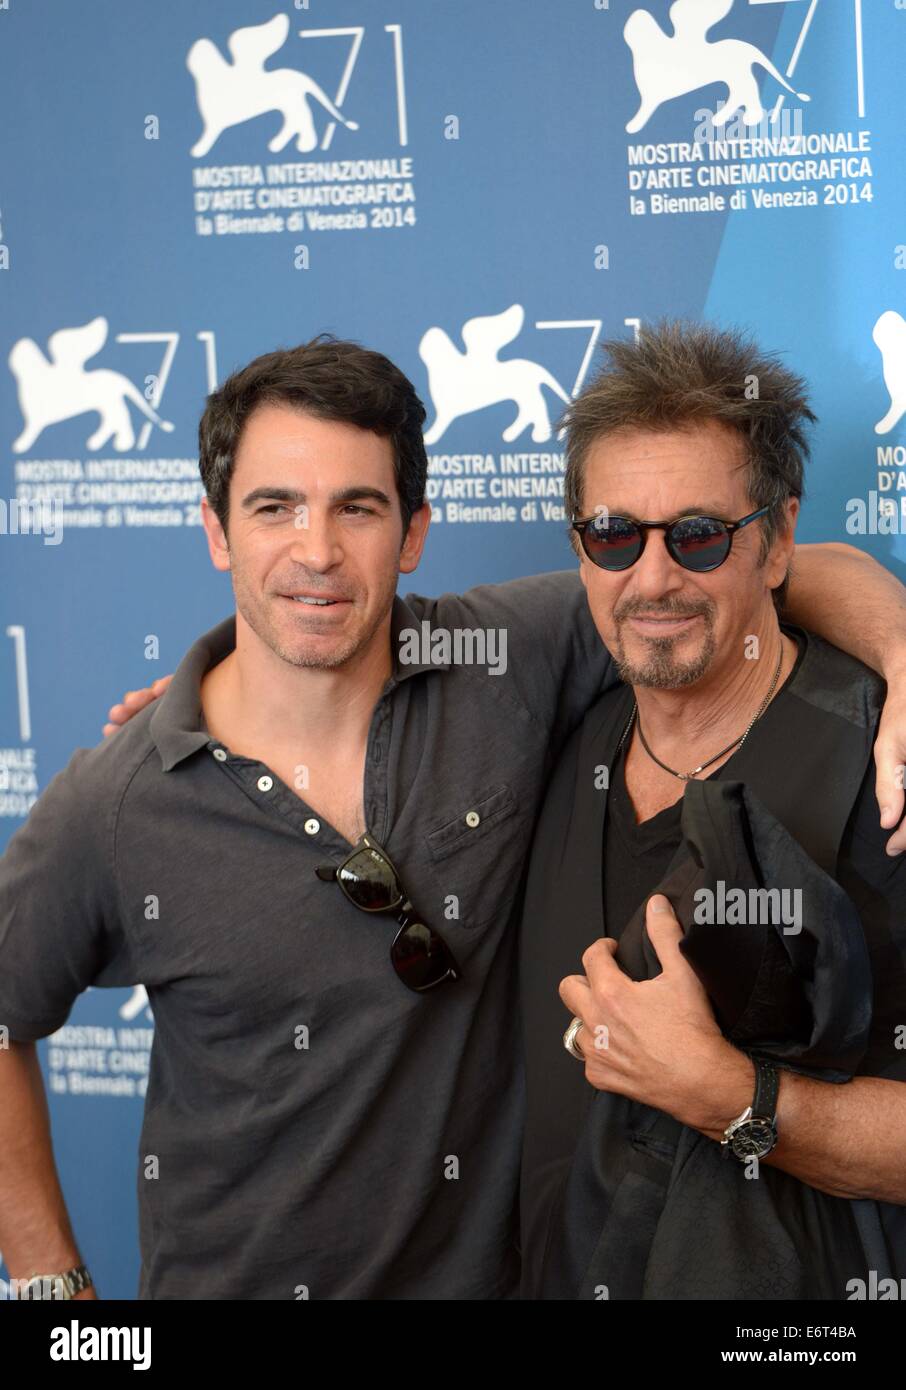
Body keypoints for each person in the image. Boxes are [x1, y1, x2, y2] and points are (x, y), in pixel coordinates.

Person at [3, 333, 906, 1302]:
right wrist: (56, 1296)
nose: (316, 550)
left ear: (416, 530)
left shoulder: (505, 659)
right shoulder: (123, 794)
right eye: (275, 508)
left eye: (358, 507)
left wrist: (900, 651)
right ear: (218, 531)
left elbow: (712, 586)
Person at [518, 321, 906, 1300]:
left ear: (777, 541)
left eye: (698, 535)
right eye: (613, 535)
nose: (651, 579)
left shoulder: (888, 762)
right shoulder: (549, 738)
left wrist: (733, 1098)